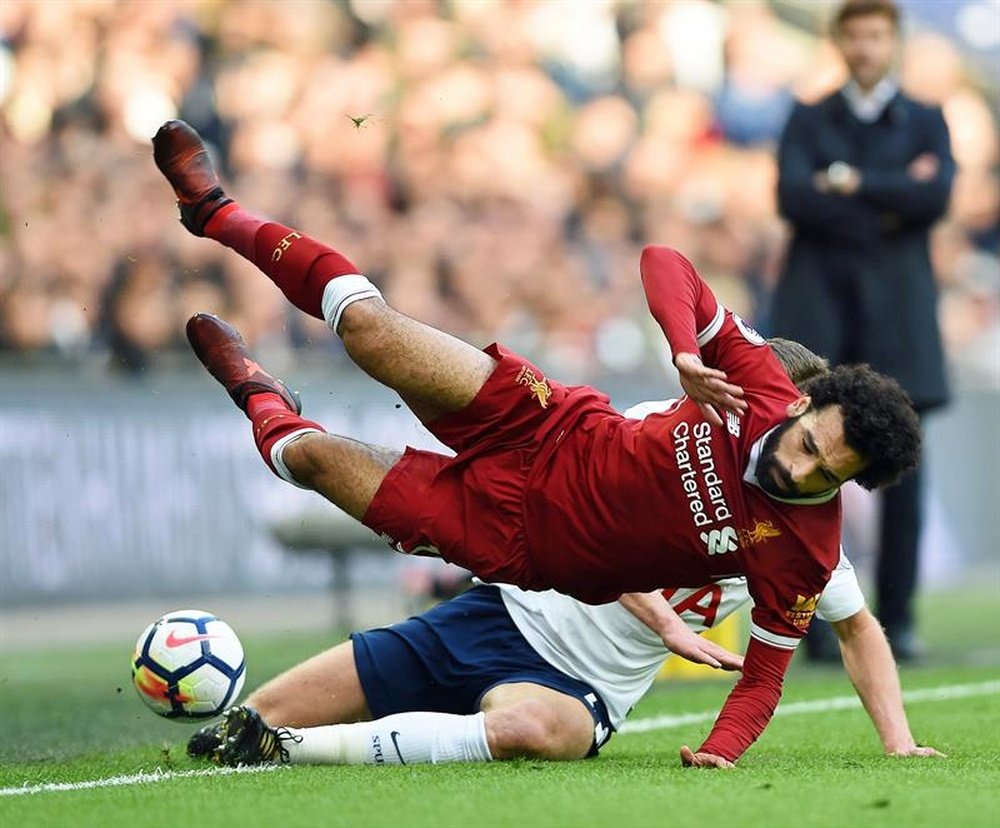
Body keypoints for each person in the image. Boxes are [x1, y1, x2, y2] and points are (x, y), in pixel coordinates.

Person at [152, 118, 921, 766]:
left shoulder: (807, 555)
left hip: (520, 542)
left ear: (846, 486)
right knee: (369, 328)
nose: (798, 464)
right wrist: (686, 350)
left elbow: (781, 668)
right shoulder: (747, 386)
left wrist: (733, 747)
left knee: (315, 460)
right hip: (545, 422)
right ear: (799, 405)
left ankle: (261, 402)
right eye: (807, 440)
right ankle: (216, 211)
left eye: (824, 471)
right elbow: (664, 263)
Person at [186, 339, 940, 769]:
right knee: (226, 733)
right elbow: (599, 551)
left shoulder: (801, 541)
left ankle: (293, 750)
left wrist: (899, 743)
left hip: (588, 690)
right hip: (500, 611)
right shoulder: (664, 438)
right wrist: (670, 626)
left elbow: (857, 629)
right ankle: (270, 404)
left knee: (531, 731)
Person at [769, 0, 955, 662]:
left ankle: (896, 621)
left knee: (900, 473)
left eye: (877, 35)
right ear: (839, 42)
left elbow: (935, 201)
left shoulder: (927, 119)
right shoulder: (810, 115)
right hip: (822, 316)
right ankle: (806, 620)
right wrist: (889, 201)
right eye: (855, 35)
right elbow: (794, 198)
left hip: (897, 326)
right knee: (801, 465)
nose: (866, 47)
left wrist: (847, 184)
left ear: (894, 42)